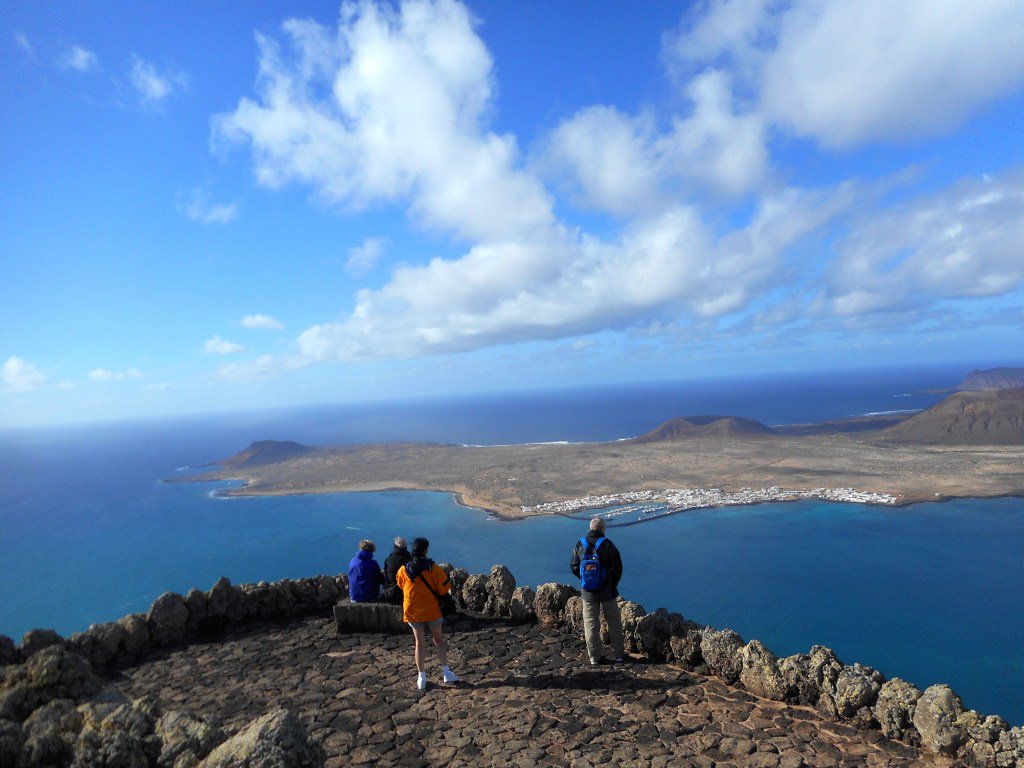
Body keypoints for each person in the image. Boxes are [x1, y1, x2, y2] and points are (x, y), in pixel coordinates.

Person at [395, 537, 460, 690]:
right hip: (432, 610)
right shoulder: (433, 569)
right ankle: (446, 673)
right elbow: (444, 589)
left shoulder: (404, 569)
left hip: (412, 610)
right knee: (438, 641)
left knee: (419, 643)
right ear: (425, 550)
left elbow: (400, 584)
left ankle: (421, 677)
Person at [569, 517, 625, 666]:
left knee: (590, 624)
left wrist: (585, 581)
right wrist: (612, 583)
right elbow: (618, 568)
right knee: (614, 622)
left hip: (588, 593)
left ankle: (594, 657)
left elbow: (574, 566)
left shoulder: (580, 544)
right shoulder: (607, 544)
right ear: (603, 529)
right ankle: (619, 655)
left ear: (590, 528)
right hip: (608, 592)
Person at [382, 537, 413, 604]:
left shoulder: (388, 559)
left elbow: (386, 578)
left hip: (392, 594)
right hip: (407, 593)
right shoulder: (410, 560)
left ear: (395, 547)